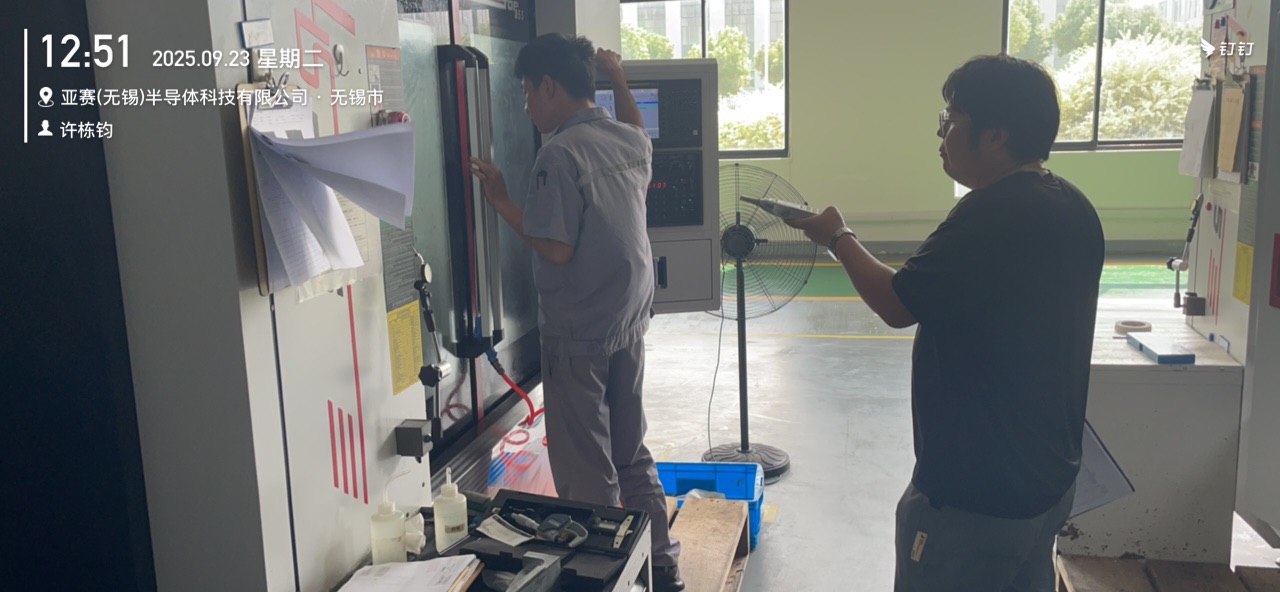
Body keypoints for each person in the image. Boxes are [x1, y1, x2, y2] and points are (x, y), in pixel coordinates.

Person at [788, 54, 1105, 591]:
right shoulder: (1072, 204)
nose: (941, 136)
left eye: (951, 121)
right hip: (1046, 481)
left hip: (973, 498)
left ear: (995, 136)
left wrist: (837, 238)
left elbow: (896, 304)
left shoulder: (991, 213)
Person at [469, 34, 684, 592]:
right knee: (630, 452)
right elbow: (640, 129)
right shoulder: (628, 141)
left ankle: (603, 580)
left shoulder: (558, 154)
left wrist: (501, 200)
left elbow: (556, 247)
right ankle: (661, 565)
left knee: (588, 474)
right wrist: (618, 77)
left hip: (578, 336)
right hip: (627, 325)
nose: (525, 106)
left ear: (548, 86)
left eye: (526, 92)